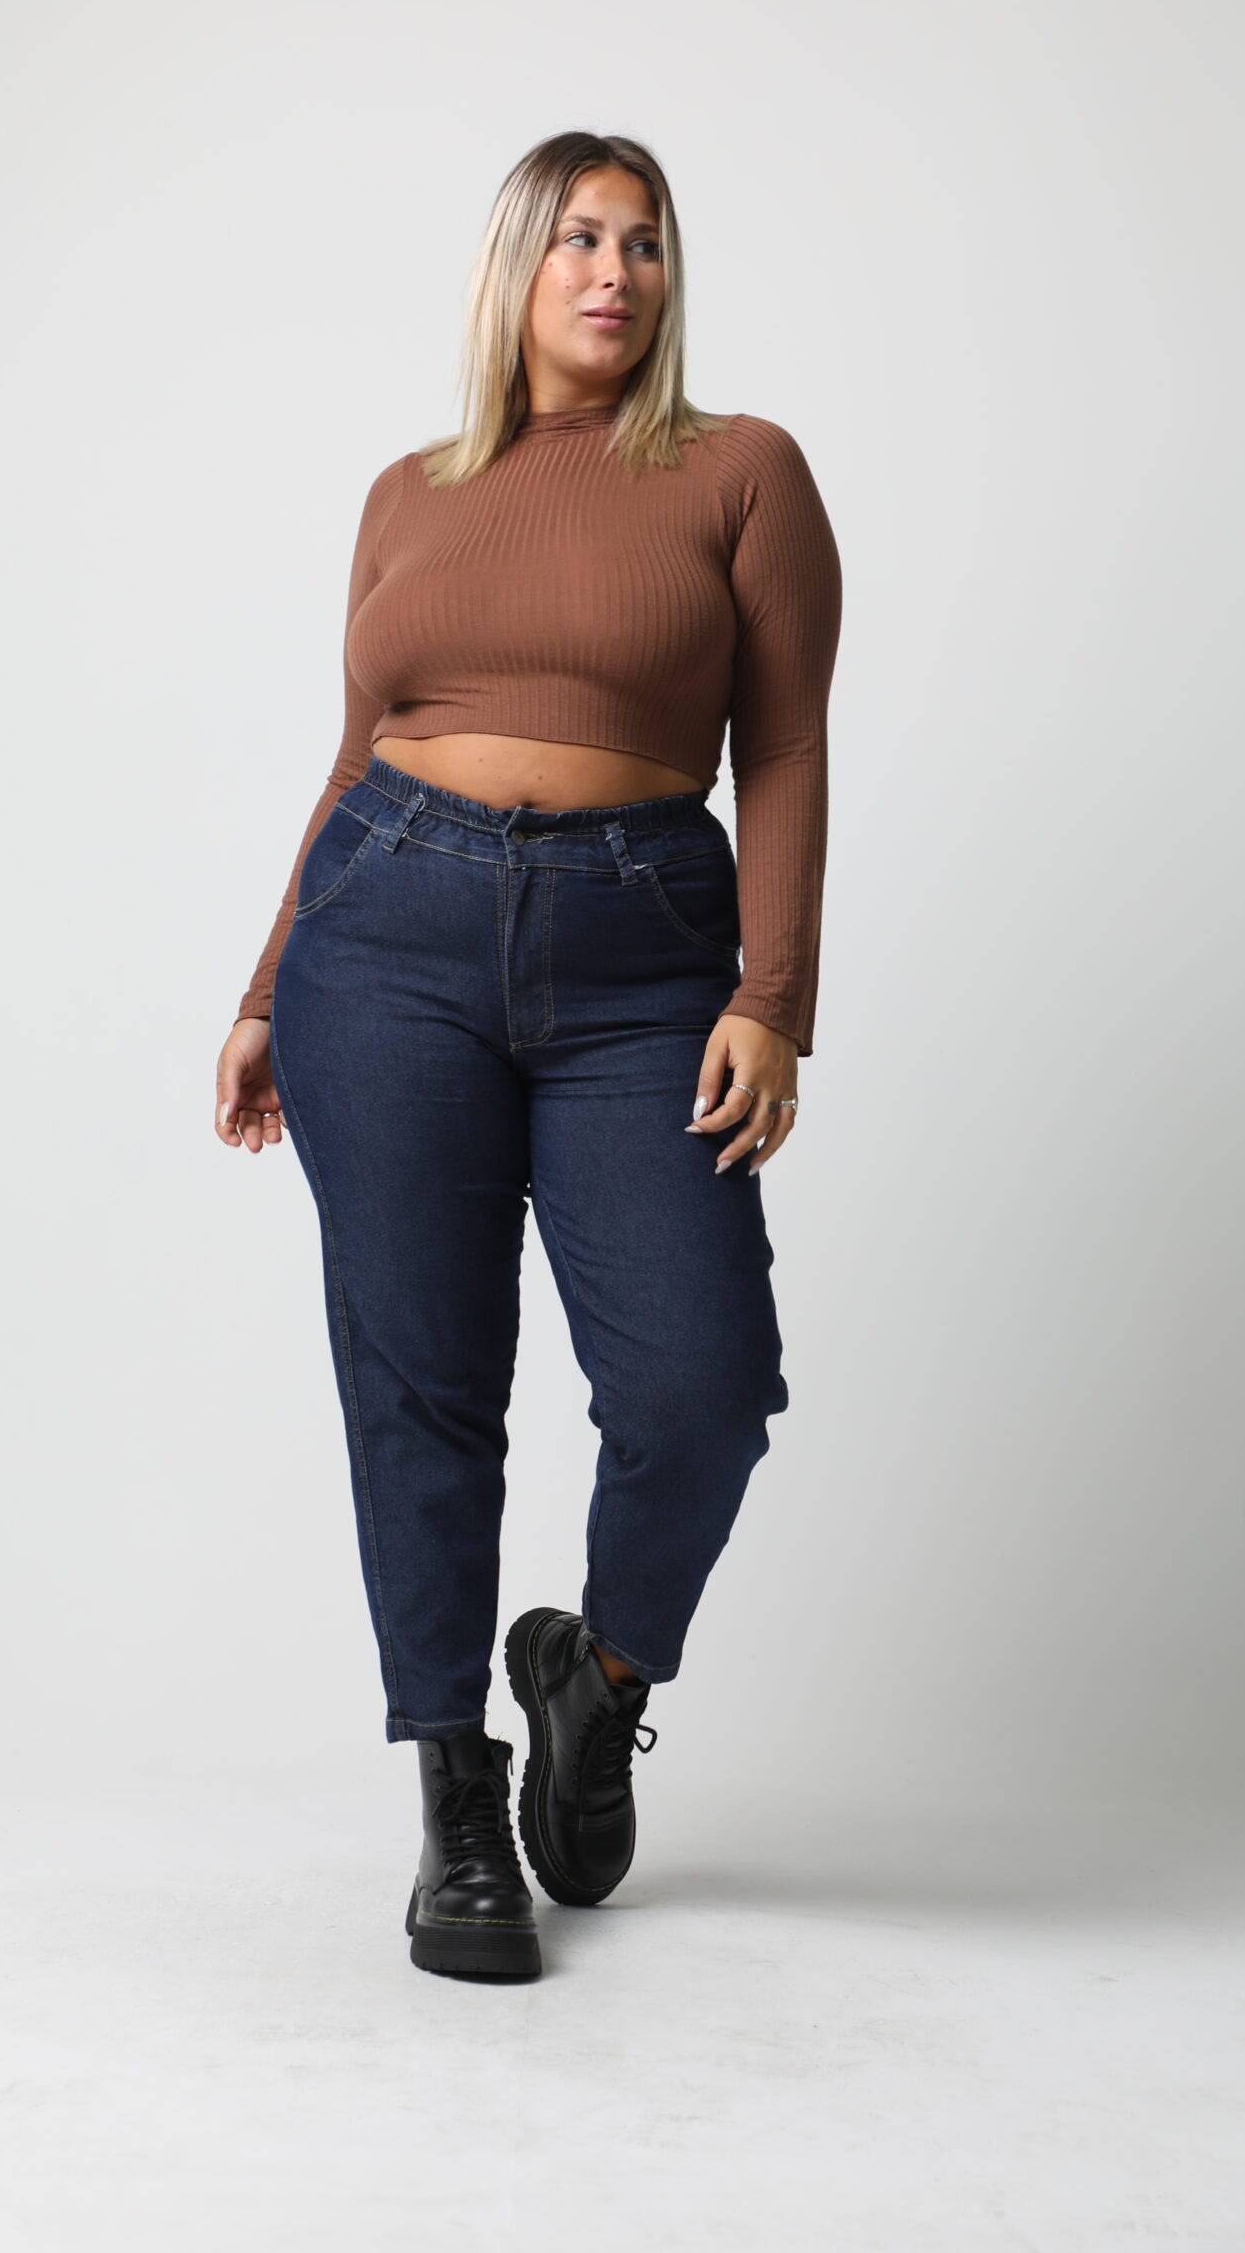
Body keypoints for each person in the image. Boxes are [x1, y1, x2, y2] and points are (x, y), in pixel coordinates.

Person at [214, 130, 842, 1981]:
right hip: (385, 934)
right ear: (516, 267)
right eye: (578, 237)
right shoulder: (407, 493)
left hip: (643, 956)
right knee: (421, 1382)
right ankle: (452, 1794)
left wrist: (774, 998)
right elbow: (356, 757)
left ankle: (598, 1670)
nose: (615, 272)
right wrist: (265, 986)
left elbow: (785, 749)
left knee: (702, 1385)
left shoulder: (741, 471)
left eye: (645, 243)